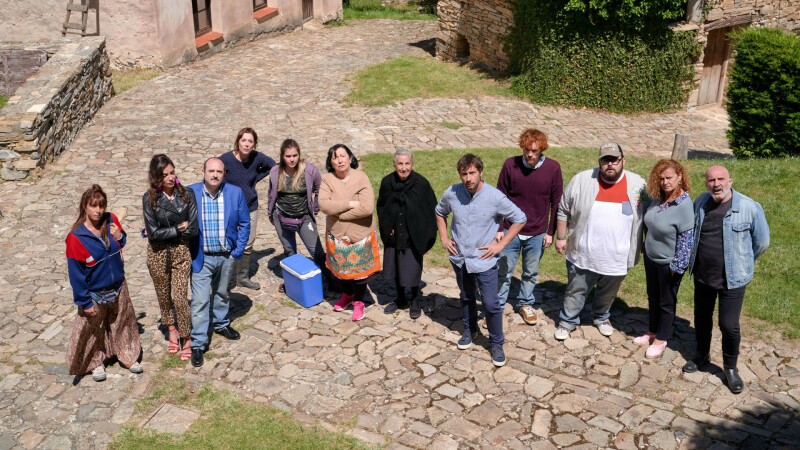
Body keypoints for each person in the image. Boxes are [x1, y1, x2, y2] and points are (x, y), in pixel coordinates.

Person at [684, 165, 769, 394]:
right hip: (703, 275)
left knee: (728, 325)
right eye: (711, 180)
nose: (716, 184)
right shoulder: (701, 202)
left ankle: (730, 367)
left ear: (730, 181)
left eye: (721, 179)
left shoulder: (749, 207)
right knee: (702, 318)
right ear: (706, 183)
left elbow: (761, 242)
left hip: (734, 279)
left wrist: (743, 261)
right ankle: (702, 354)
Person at [435, 154, 526, 367]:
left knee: (491, 303)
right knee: (466, 296)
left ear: (481, 172)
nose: (468, 178)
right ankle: (470, 330)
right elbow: (439, 212)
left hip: (484, 260)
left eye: (472, 173)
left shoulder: (495, 197)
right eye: (464, 174)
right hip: (460, 258)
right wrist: (444, 238)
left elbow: (520, 218)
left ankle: (496, 343)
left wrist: (500, 246)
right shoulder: (452, 192)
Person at [554, 143, 647, 341]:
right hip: (583, 253)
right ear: (599, 162)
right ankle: (568, 320)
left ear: (623, 160)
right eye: (605, 160)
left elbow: (648, 215)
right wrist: (561, 237)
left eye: (614, 160)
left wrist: (645, 242)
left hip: (619, 255)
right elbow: (563, 209)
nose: (610, 164)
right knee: (576, 290)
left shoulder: (638, 184)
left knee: (608, 292)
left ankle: (601, 316)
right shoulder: (582, 180)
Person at [66, 185, 142, 381]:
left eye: (101, 206)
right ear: (84, 206)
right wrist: (85, 302)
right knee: (92, 329)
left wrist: (119, 237)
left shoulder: (111, 221)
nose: (98, 210)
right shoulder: (76, 238)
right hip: (94, 292)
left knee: (122, 323)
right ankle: (95, 363)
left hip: (118, 285)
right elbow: (76, 274)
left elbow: (120, 243)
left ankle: (127, 355)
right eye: (93, 206)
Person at [187, 157, 251, 367]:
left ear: (224, 174)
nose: (215, 175)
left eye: (219, 172)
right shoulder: (190, 193)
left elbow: (245, 223)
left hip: (225, 256)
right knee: (200, 301)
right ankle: (198, 343)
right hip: (201, 257)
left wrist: (236, 252)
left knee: (222, 293)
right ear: (203, 172)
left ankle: (221, 323)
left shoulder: (235, 193)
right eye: (211, 171)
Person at [496, 129, 563, 325]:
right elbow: (499, 198)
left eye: (534, 151)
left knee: (530, 272)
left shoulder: (553, 168)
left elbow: (556, 203)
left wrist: (550, 232)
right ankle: (497, 306)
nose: (530, 154)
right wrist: (499, 228)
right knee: (503, 271)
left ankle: (525, 303)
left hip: (537, 231)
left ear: (542, 150)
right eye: (526, 150)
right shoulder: (510, 164)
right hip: (510, 229)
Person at [142, 154, 198, 361]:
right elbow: (153, 233)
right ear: (156, 177)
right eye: (164, 175)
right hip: (158, 253)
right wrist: (179, 227)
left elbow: (193, 229)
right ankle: (172, 329)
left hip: (181, 252)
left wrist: (166, 232)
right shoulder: (149, 199)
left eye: (172, 172)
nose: (170, 178)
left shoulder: (187, 194)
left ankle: (186, 337)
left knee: (180, 297)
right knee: (164, 296)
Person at [636, 159, 694, 358]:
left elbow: (686, 239)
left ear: (680, 177)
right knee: (653, 296)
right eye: (661, 179)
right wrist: (646, 243)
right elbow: (650, 223)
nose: (665, 182)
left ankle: (661, 339)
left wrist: (677, 266)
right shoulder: (657, 198)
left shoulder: (684, 205)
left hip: (669, 264)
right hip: (651, 258)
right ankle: (652, 331)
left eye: (669, 178)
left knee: (666, 302)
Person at [319, 144, 381, 322]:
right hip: (337, 233)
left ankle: (359, 302)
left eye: (343, 156)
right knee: (340, 270)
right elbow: (324, 205)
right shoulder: (327, 180)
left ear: (350, 158)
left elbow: (367, 208)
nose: (339, 160)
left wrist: (339, 213)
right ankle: (347, 295)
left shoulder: (361, 178)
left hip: (360, 233)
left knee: (360, 274)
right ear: (330, 162)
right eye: (335, 157)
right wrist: (349, 203)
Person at [377, 149, 438, 319]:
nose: (404, 168)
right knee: (396, 266)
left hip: (413, 235)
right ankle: (400, 298)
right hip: (394, 234)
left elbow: (430, 208)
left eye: (407, 164)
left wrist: (421, 230)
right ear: (394, 164)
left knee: (412, 268)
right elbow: (382, 207)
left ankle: (414, 301)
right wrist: (387, 225)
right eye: (400, 164)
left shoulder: (421, 184)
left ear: (412, 164)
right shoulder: (387, 182)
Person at [266, 139, 329, 293]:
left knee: (317, 253)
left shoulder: (310, 170)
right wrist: (271, 214)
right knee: (290, 253)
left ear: (299, 154)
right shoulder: (275, 172)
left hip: (304, 218)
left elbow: (320, 190)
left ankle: (332, 282)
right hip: (281, 218)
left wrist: (314, 210)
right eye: (288, 156)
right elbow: (271, 194)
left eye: (295, 155)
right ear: (282, 156)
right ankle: (293, 284)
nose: (292, 159)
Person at [219, 127, 276, 290]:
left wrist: (256, 177)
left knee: (248, 243)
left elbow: (273, 166)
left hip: (250, 206)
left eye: (250, 141)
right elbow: (213, 175)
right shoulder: (226, 159)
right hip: (230, 208)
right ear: (238, 141)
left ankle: (242, 278)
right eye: (243, 140)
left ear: (254, 144)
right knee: (228, 242)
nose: (246, 144)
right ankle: (223, 279)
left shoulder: (257, 158)